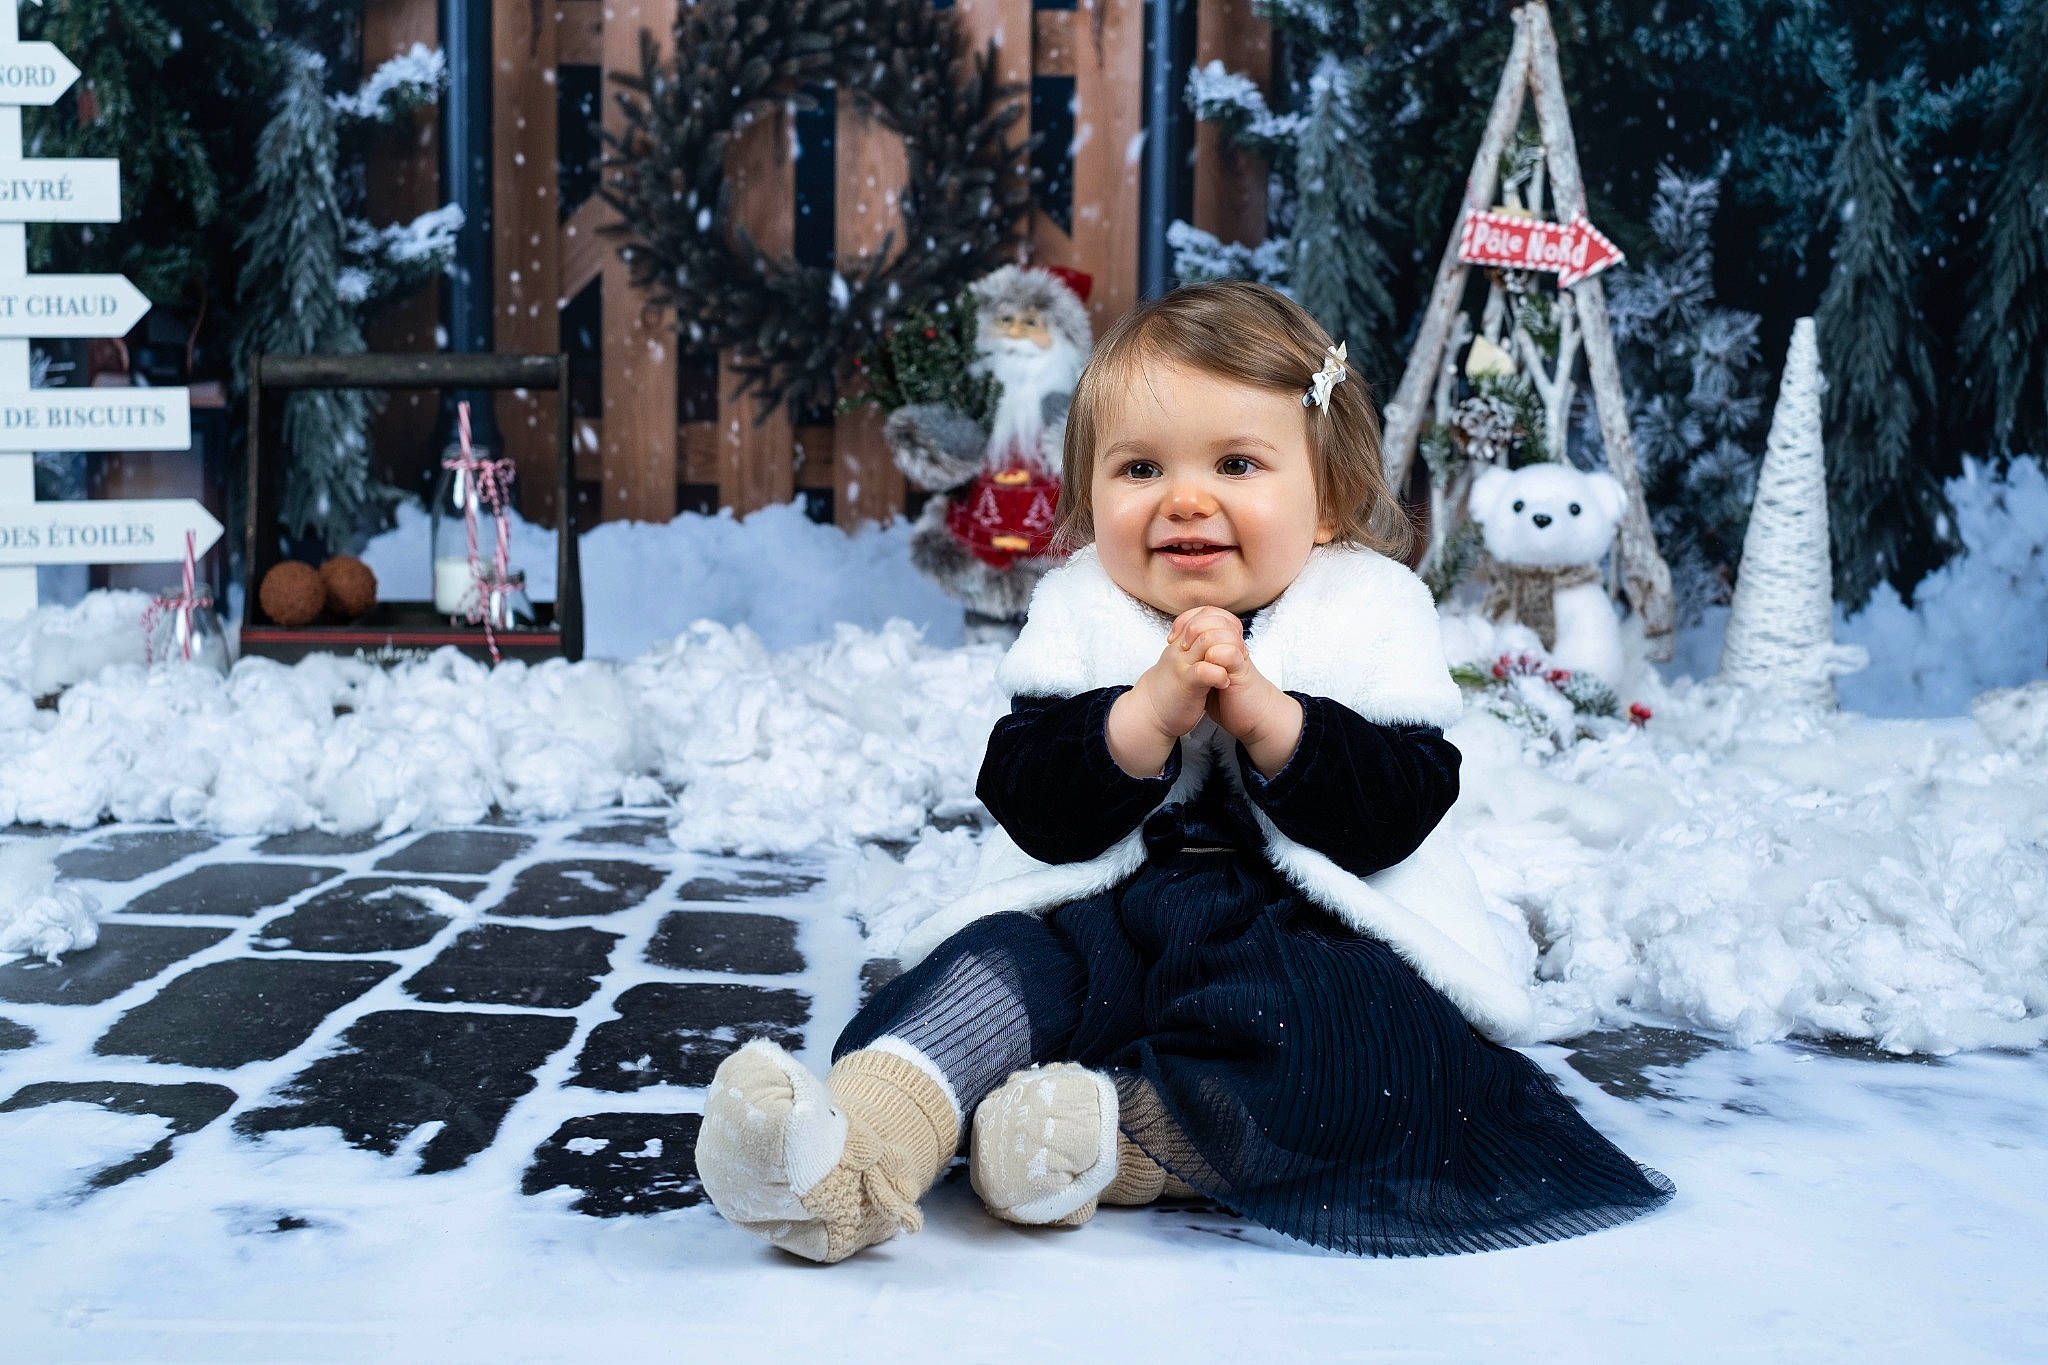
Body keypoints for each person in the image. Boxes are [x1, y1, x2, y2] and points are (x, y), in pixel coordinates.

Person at [692, 281, 1674, 1263]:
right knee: (990, 972)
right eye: (1139, 468)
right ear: (1089, 502)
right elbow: (1027, 791)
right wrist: (1139, 719)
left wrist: (1271, 722)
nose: (1184, 499)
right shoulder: (1082, 607)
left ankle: (1106, 1137)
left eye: (1236, 463)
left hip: (1294, 929)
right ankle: (856, 1148)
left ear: (1326, 502)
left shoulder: (1370, 608)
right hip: (1100, 916)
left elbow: (1399, 804)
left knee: (1354, 1039)